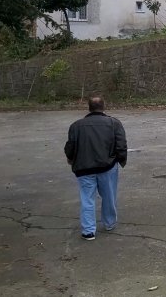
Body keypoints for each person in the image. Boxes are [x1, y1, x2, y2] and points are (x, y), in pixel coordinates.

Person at [64, 96, 127, 241]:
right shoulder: (114, 123)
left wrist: (71, 159)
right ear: (103, 107)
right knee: (109, 196)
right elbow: (121, 144)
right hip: (107, 166)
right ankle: (109, 223)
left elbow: (70, 146)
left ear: (89, 107)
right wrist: (120, 159)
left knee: (87, 199)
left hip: (84, 168)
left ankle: (88, 231)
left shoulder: (76, 125)